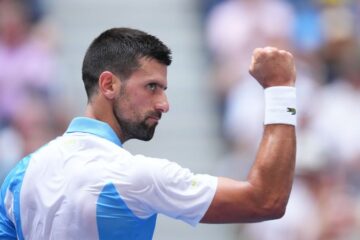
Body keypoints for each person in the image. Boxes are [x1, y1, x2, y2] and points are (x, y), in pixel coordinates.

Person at [0, 27, 297, 239]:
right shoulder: (135, 176)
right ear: (109, 85)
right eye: (152, 87)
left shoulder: (20, 175)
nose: (164, 104)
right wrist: (280, 89)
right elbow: (266, 200)